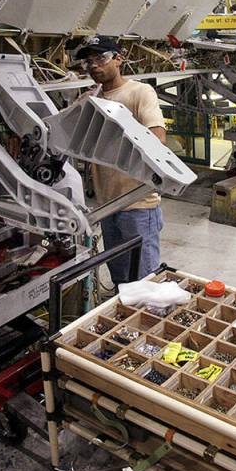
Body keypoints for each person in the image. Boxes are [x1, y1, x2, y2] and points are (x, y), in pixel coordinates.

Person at [75, 36, 167, 285]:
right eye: (88, 61)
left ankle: (146, 322)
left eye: (101, 58)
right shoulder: (92, 100)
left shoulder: (139, 92)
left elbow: (158, 137)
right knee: (120, 278)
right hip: (108, 206)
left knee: (145, 280)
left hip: (138, 205)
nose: (94, 66)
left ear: (118, 59)